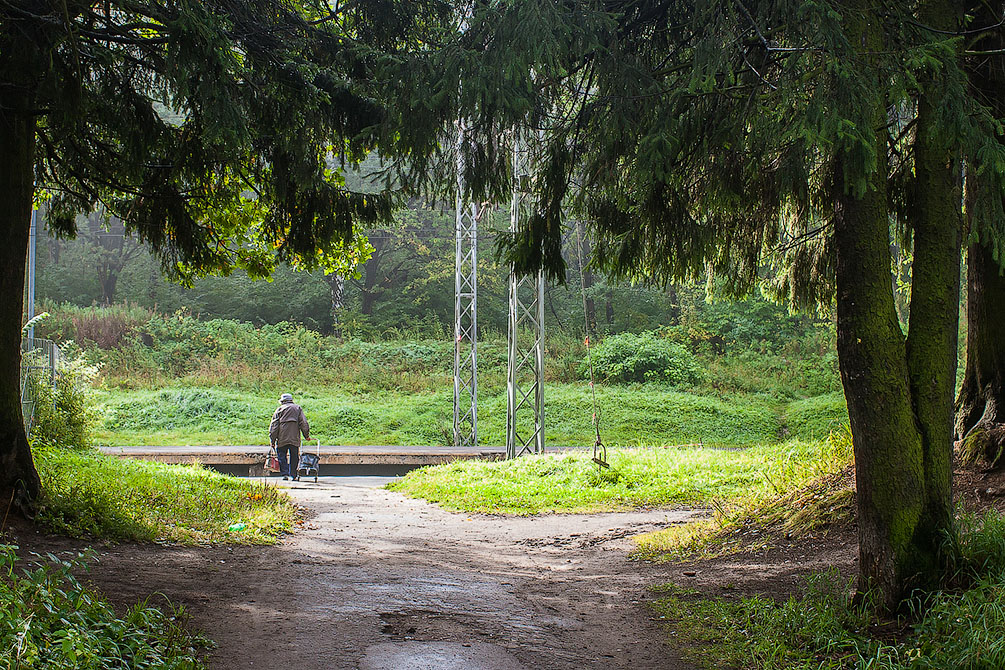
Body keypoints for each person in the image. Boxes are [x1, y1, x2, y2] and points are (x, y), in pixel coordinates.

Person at [269, 393, 310, 481]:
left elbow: (274, 426)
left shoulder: (279, 410)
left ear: (282, 401)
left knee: (281, 455)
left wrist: (272, 439)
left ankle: (285, 474)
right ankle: (293, 475)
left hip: (282, 437)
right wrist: (306, 435)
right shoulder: (297, 408)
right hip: (294, 437)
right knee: (294, 456)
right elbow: (304, 423)